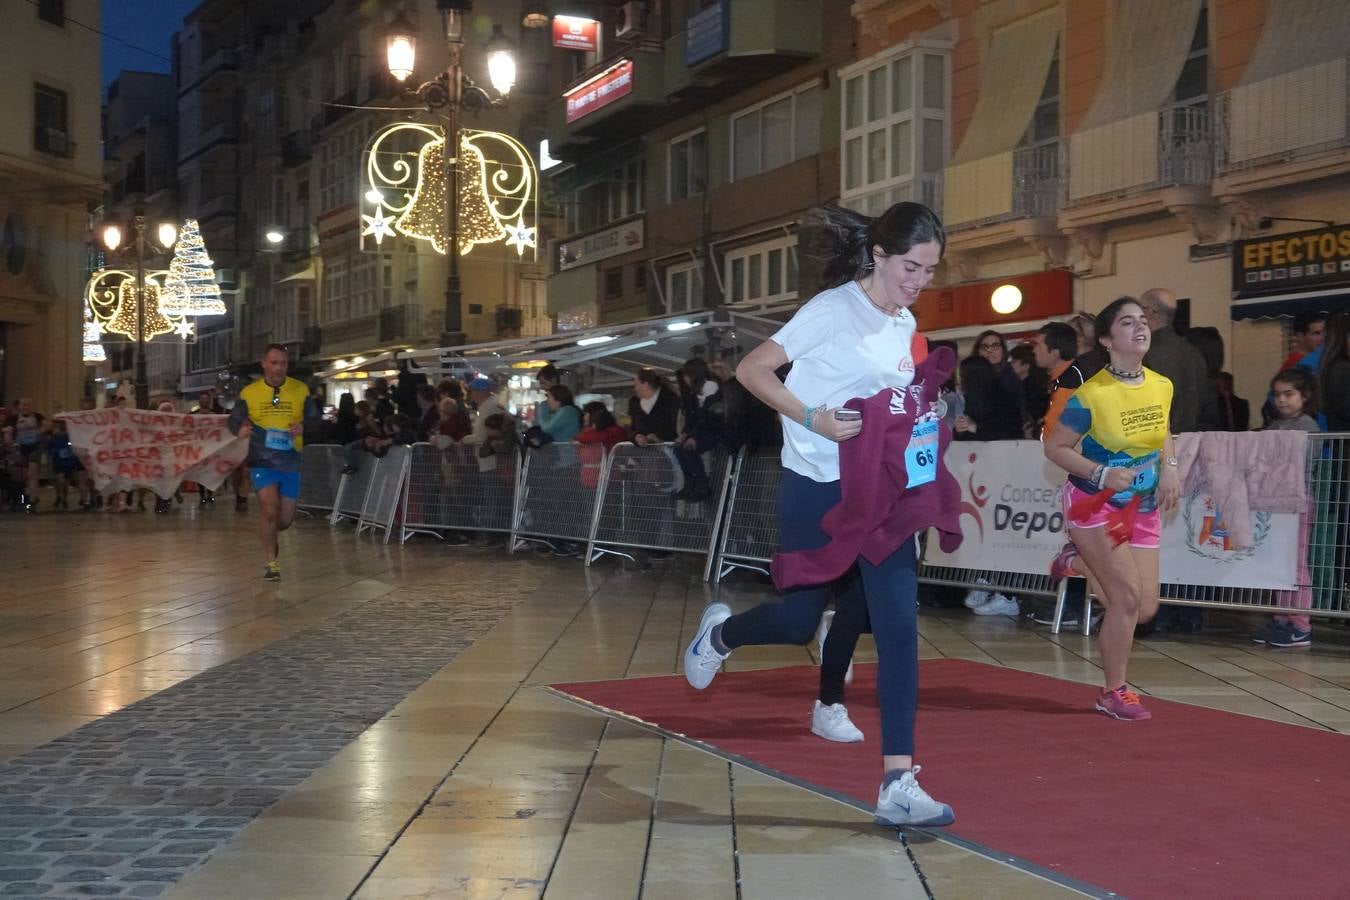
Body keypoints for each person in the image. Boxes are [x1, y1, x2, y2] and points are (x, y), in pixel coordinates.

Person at [682, 201, 955, 827]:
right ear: (880, 255)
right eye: (911, 266)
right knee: (799, 620)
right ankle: (721, 634)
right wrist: (814, 418)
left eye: (931, 270)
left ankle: (897, 783)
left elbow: (899, 393)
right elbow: (755, 370)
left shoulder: (903, 324)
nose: (919, 281)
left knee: (897, 630)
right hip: (815, 485)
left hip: (880, 495)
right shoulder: (832, 310)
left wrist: (926, 412)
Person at [1044, 297, 1181, 721]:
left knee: (1146, 608)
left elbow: (1163, 432)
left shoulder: (1162, 385)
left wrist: (1171, 468)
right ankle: (1114, 691)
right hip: (1095, 503)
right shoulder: (1090, 395)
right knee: (1124, 600)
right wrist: (1101, 474)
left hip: (1140, 505)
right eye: (1127, 322)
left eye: (1143, 320)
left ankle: (1078, 561)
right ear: (1107, 339)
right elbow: (1055, 448)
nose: (1139, 327)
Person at [227, 344, 321, 581]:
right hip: (262, 460)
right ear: (264, 363)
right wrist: (241, 429)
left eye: (283, 363)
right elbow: (234, 420)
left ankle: (268, 532)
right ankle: (271, 562)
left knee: (285, 520)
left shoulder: (300, 390)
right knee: (269, 509)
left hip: (291, 461)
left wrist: (304, 427)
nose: (279, 368)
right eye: (274, 363)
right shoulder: (250, 393)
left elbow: (315, 420)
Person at [1254, 368, 1319, 649]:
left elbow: (1301, 461)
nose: (1281, 400)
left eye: (1289, 394)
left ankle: (1301, 624)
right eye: (1277, 394)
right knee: (1278, 562)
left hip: (1298, 499)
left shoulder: (1308, 426)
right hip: (1276, 501)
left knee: (1296, 563)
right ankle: (1282, 618)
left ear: (1304, 396)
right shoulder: (1274, 425)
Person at [1138, 288, 1207, 433]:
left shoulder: (1145, 355)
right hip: (1192, 442)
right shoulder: (1194, 353)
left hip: (1158, 443)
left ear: (1149, 312)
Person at [672, 357, 726, 500]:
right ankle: (690, 483)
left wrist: (692, 436)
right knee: (679, 449)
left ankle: (702, 485)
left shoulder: (710, 387)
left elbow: (708, 415)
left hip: (713, 431)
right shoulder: (692, 393)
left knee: (688, 450)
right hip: (700, 431)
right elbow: (693, 418)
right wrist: (685, 435)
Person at [4, 398, 48, 512]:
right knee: (22, 476)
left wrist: (42, 431)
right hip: (20, 448)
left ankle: (32, 501)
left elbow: (48, 425)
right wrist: (10, 446)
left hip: (35, 447)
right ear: (19, 407)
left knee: (32, 473)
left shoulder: (38, 416)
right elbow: (8, 435)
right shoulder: (13, 419)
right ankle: (26, 498)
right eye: (23, 405)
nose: (26, 407)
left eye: (28, 404)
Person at [628, 369, 680, 444]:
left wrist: (658, 439)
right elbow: (632, 429)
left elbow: (676, 427)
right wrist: (636, 436)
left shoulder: (671, 401)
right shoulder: (635, 404)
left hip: (668, 450)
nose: (635, 388)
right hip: (644, 453)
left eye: (636, 385)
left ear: (645, 384)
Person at [1009, 343, 1048, 438]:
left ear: (1026, 366)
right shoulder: (1040, 386)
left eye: (1014, 361)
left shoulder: (1028, 390)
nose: (1010, 364)